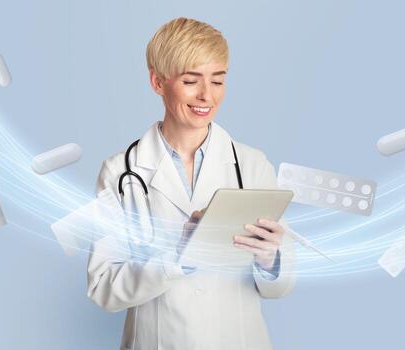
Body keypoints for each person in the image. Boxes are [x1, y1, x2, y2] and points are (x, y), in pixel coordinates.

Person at [86, 17, 295, 349]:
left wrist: (270, 259)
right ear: (158, 82)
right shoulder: (119, 173)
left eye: (218, 81)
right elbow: (104, 290)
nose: (206, 96)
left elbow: (279, 288)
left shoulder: (252, 165)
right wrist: (177, 257)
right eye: (190, 80)